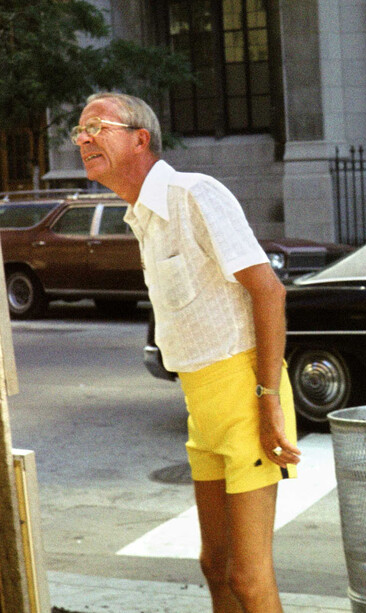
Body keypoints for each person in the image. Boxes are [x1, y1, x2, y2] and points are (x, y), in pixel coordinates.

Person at [73, 92, 301, 613]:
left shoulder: (193, 193)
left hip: (246, 398)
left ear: (139, 138)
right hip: (203, 406)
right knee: (214, 566)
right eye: (78, 132)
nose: (83, 139)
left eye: (96, 127)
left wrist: (268, 404)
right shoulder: (140, 215)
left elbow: (269, 291)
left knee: (248, 577)